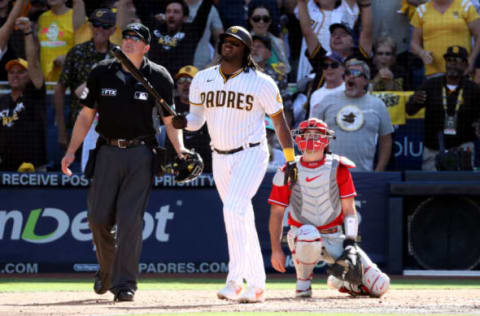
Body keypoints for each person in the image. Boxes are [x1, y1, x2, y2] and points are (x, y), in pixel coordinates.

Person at [61, 22, 186, 302]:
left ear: (146, 47)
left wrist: (180, 151)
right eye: (126, 37)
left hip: (141, 154)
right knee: (97, 219)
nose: (129, 42)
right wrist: (71, 151)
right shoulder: (101, 72)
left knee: (131, 221)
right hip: (106, 151)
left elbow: (169, 119)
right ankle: (107, 271)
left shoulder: (159, 76)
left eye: (136, 39)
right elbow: (85, 116)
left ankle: (124, 284)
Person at [171, 25, 297, 303]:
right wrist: (182, 122)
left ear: (246, 50)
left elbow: (280, 123)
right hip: (220, 155)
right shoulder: (202, 79)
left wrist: (291, 160)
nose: (228, 45)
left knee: (234, 208)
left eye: (235, 43)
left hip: (252, 152)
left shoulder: (263, 82)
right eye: (225, 41)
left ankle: (235, 281)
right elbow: (196, 121)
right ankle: (256, 284)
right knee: (239, 217)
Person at [268, 117, 390, 298]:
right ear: (298, 138)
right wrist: (276, 249)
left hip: (334, 235)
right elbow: (277, 213)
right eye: (307, 134)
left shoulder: (338, 166)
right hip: (302, 235)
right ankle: (303, 283)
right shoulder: (288, 169)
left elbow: (349, 211)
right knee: (309, 233)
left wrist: (350, 242)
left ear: (326, 139)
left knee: (381, 285)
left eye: (316, 134)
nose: (311, 139)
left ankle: (341, 281)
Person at [311, 59, 394, 172]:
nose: (351, 77)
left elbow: (386, 140)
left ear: (365, 80)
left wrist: (379, 170)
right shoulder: (327, 101)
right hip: (330, 175)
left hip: (363, 175)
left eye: (356, 74)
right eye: (347, 74)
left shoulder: (377, 105)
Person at [406, 45, 480, 170]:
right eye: (449, 60)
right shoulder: (430, 85)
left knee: (463, 188)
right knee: (431, 187)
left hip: (463, 150)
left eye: (457, 61)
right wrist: (414, 101)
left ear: (465, 65)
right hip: (433, 150)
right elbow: (410, 110)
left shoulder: (473, 89)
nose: (452, 64)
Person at [54, 8, 116, 152]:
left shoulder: (119, 56)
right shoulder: (77, 53)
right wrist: (61, 129)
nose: (99, 29)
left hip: (112, 128)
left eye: (105, 26)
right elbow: (60, 89)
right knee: (81, 171)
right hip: (81, 126)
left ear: (113, 30)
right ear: (90, 26)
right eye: (95, 24)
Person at [0, 17, 46, 172]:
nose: (15, 75)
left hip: (35, 168)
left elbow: (32, 62)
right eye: (11, 72)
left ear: (29, 76)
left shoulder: (35, 95)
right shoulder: (2, 101)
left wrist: (27, 33)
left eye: (20, 72)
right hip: (5, 168)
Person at [410, 0, 480, 78]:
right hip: (434, 73)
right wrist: (422, 53)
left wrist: (471, 59)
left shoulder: (465, 6)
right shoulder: (421, 10)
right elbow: (414, 43)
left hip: (462, 70)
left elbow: (478, 35)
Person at [294, 0, 359, 81]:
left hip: (335, 65)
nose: (337, 36)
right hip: (313, 61)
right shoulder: (310, 7)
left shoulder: (344, 11)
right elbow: (306, 31)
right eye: (334, 34)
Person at [165, 65, 212, 172]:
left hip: (206, 163)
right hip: (176, 162)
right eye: (181, 80)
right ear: (177, 85)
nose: (185, 84)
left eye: (190, 79)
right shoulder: (169, 105)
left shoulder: (208, 104)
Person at [147, 0, 210, 76]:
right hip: (152, 80)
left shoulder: (192, 32)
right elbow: (141, 7)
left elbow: (205, 8)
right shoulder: (155, 27)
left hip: (179, 82)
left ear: (185, 18)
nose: (171, 15)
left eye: (176, 12)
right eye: (168, 11)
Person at [248, 3, 291, 75]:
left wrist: (271, 69)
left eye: (265, 19)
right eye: (256, 19)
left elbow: (287, 68)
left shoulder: (278, 42)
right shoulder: (242, 42)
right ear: (251, 21)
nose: (261, 22)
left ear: (270, 21)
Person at [185, 0, 224, 69]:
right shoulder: (172, 7)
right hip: (176, 64)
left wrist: (214, 62)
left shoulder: (210, 9)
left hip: (203, 65)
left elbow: (220, 38)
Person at [308, 52, 345, 118]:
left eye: (334, 65)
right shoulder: (316, 95)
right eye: (325, 66)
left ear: (343, 69)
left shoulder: (349, 90)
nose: (329, 68)